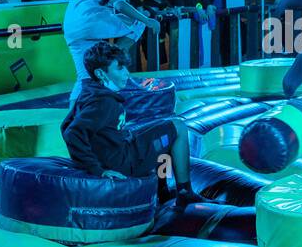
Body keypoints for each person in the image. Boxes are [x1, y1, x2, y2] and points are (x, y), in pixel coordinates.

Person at [61, 41, 205, 207]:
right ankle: (184, 192)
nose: (127, 74)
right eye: (120, 68)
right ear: (101, 73)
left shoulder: (88, 92)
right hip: (123, 163)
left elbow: (66, 125)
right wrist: (97, 170)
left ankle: (162, 190)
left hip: (117, 151)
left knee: (158, 130)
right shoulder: (103, 103)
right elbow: (73, 133)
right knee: (178, 127)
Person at [63, 0, 160, 103]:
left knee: (85, 77)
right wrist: (147, 20)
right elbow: (120, 4)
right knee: (138, 22)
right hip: (90, 24)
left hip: (72, 29)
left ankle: (71, 117)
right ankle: (113, 56)